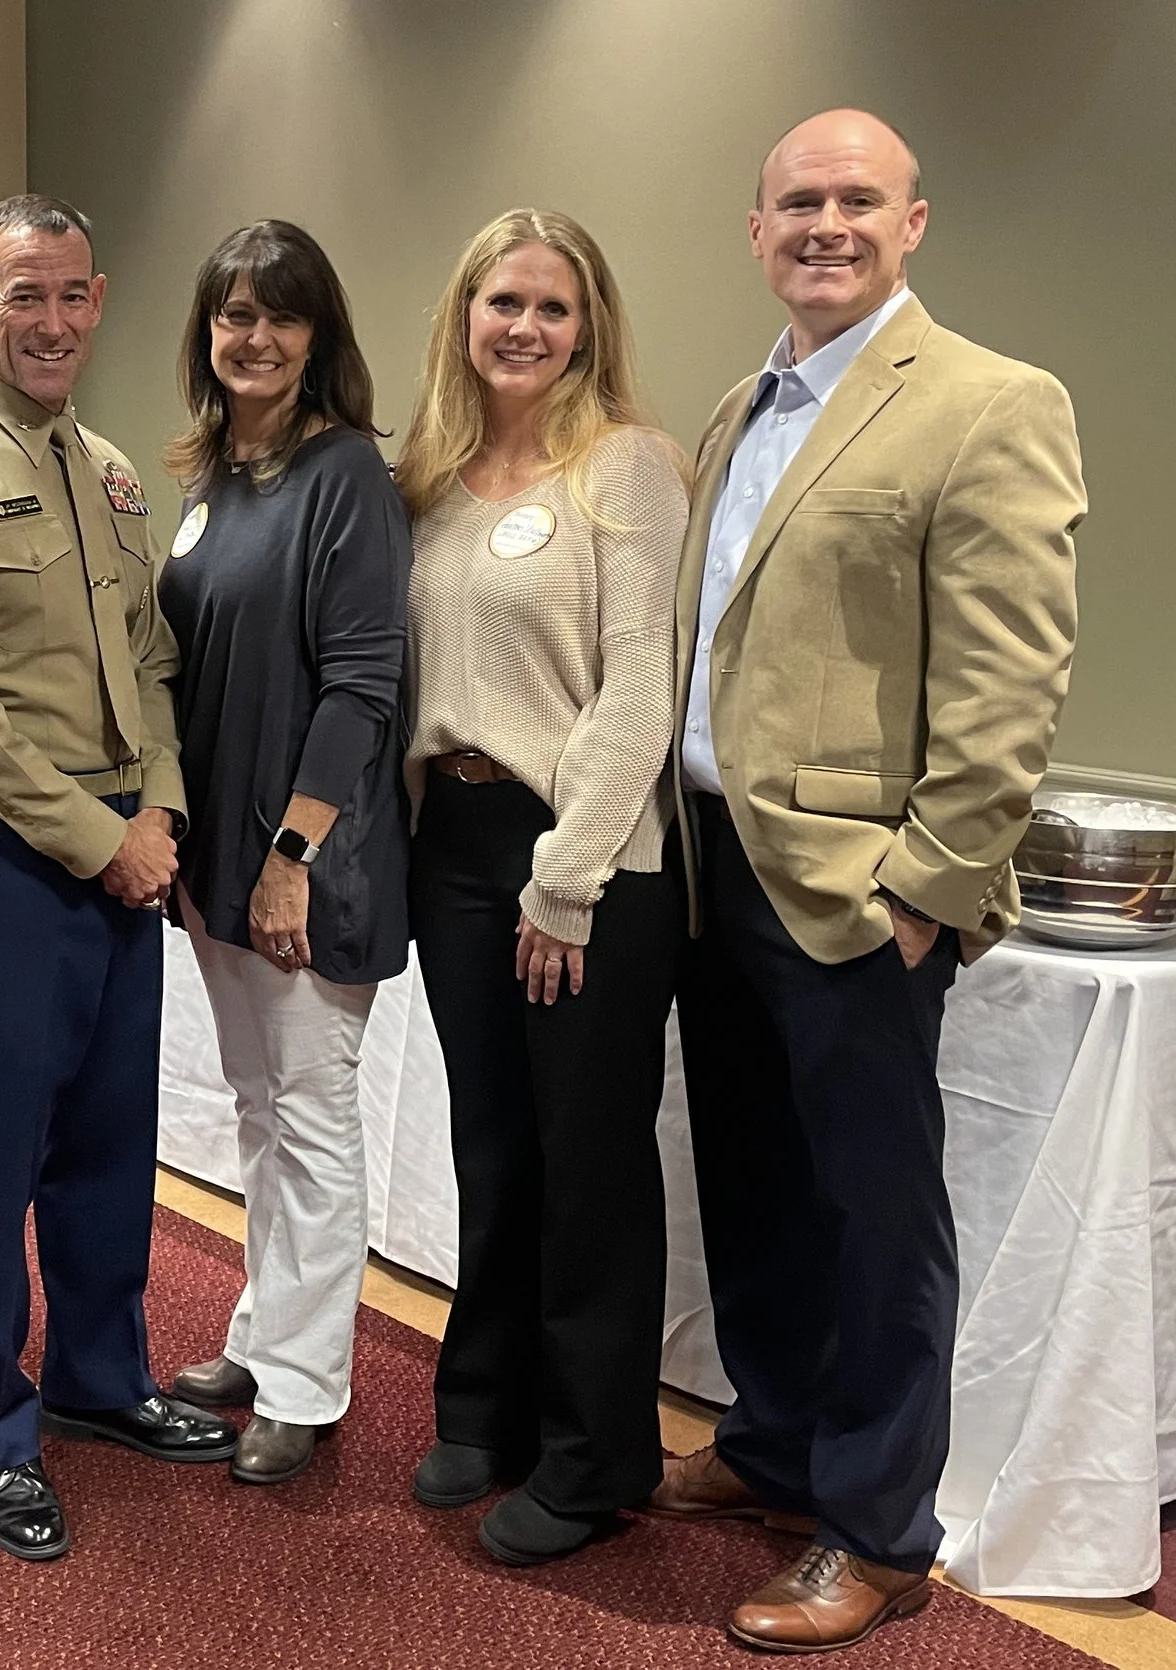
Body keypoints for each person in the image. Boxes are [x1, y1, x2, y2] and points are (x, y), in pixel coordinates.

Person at [652, 110, 1082, 1653]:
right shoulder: (738, 407)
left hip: (857, 893)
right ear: (755, 229)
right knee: (755, 1194)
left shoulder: (986, 402)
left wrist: (930, 887)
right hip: (718, 875)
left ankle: (880, 1526)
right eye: (796, 203)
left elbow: (1007, 683)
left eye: (856, 201)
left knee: (876, 1214)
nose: (824, 224)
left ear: (915, 223)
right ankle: (777, 1444)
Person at [0, 194, 237, 1563]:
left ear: (99, 295)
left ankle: (98, 1375)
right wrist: (105, 836)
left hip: (126, 850)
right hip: (4, 853)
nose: (54, 321)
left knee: (107, 1143)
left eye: (74, 294)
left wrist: (168, 812)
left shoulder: (115, 475)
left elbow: (148, 663)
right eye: (26, 295)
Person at [393, 209, 687, 1564]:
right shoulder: (432, 482)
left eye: (552, 307)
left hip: (582, 857)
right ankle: (485, 1403)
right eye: (502, 300)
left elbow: (641, 688)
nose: (524, 326)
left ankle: (594, 1454)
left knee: (588, 1163)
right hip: (450, 847)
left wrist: (564, 883)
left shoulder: (623, 467)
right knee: (492, 1145)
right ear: (465, 315)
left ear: (590, 326)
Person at [154, 221, 412, 1486]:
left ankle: (310, 1380)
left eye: (280, 316)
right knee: (258, 1108)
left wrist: (289, 851)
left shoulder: (345, 473)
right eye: (232, 315)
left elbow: (363, 684)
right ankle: (264, 1335)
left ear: (319, 336)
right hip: (214, 854)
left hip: (306, 856)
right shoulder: (213, 477)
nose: (253, 338)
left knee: (310, 1115)